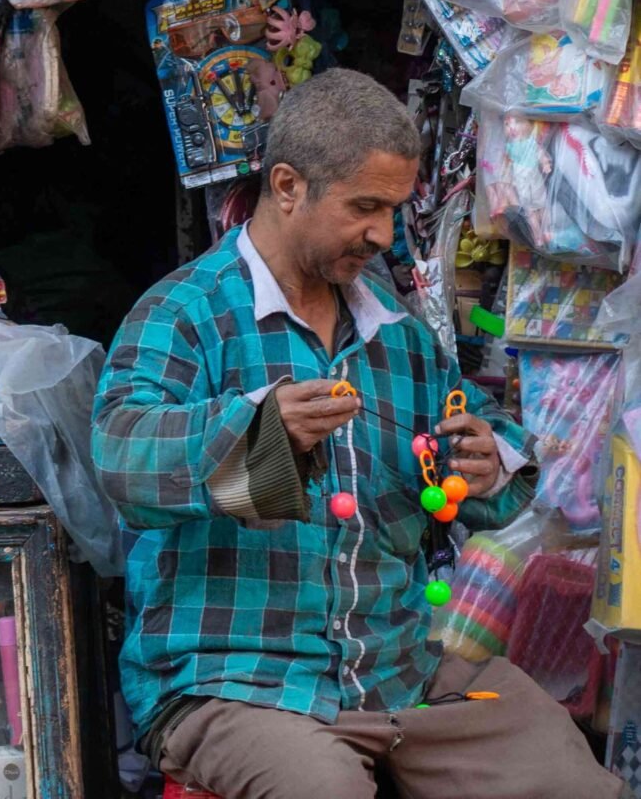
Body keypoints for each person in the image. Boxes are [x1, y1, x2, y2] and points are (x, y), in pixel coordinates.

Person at [93, 69, 627, 799]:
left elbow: (483, 454)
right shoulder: (182, 314)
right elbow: (122, 462)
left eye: (394, 209)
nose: (381, 234)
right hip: (233, 681)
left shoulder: (398, 336)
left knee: (574, 785)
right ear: (286, 187)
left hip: (398, 673)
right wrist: (257, 429)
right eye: (363, 208)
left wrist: (486, 461)